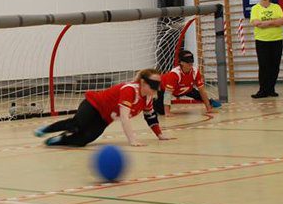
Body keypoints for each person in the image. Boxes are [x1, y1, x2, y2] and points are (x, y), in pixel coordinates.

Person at [33, 68, 172, 147]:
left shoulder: (147, 98)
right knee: (77, 124)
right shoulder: (130, 90)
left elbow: (150, 116)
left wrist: (160, 135)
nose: (155, 90)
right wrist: (133, 140)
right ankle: (45, 129)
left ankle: (60, 140)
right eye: (152, 86)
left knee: (84, 140)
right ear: (142, 82)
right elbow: (124, 117)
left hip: (104, 118)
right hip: (94, 105)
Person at [155, 50, 221, 116]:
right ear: (181, 62)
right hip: (163, 88)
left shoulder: (195, 72)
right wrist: (167, 112)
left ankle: (210, 102)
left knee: (200, 95)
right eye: (187, 62)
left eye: (191, 62)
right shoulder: (174, 74)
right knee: (162, 111)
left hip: (186, 89)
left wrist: (208, 108)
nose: (190, 64)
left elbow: (202, 91)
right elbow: (168, 94)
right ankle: (154, 102)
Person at [250, 0, 283, 98]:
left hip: (276, 40)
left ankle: (271, 89)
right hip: (262, 40)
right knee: (264, 65)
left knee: (274, 65)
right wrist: (274, 21)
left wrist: (267, 23)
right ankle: (262, 90)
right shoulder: (255, 8)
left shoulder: (276, 7)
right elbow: (256, 23)